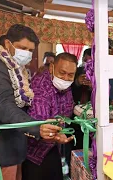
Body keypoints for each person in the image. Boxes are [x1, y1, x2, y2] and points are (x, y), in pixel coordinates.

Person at [0, 24, 62, 180]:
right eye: (22, 48)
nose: (26, 54)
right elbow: (4, 106)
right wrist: (37, 127)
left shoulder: (16, 68)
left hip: (11, 141)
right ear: (8, 44)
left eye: (30, 50)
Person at [22, 52, 77, 180]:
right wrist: (56, 134)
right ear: (51, 67)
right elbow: (40, 125)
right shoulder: (41, 86)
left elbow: (67, 109)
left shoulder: (66, 86)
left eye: (70, 75)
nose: (65, 78)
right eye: (62, 73)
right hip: (35, 151)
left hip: (54, 146)